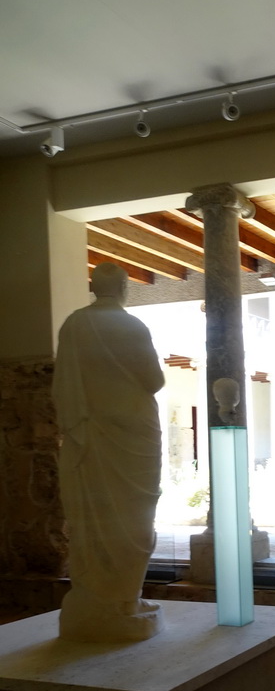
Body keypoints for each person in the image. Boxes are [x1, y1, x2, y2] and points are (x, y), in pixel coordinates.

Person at [52, 262, 166, 641]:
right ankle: (123, 600)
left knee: (95, 514)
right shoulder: (131, 326)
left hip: (90, 431)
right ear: (122, 287)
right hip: (132, 430)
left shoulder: (73, 325)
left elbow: (63, 382)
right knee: (135, 513)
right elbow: (154, 379)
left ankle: (100, 597)